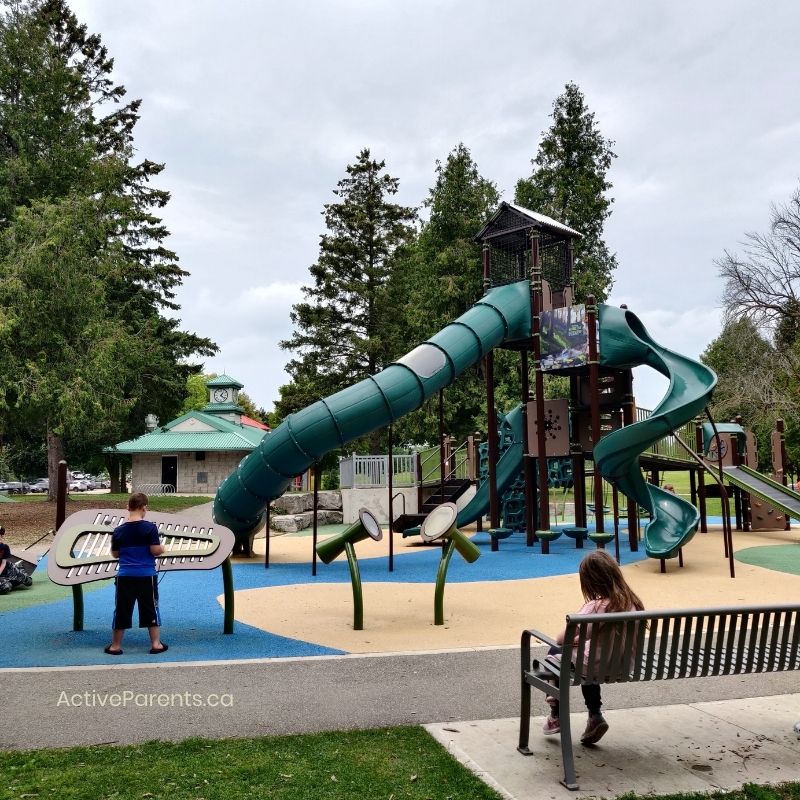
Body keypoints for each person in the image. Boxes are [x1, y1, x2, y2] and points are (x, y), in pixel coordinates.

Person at [541, 550, 645, 744]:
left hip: (594, 666)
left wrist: (575, 639)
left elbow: (561, 638)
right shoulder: (634, 604)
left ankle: (556, 713)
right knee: (587, 657)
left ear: (590, 582)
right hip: (624, 666)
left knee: (556, 652)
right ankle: (594, 715)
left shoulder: (595, 607)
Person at [105, 493, 167, 655]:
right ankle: (155, 644)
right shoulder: (150, 528)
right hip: (146, 575)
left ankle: (116, 646)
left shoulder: (118, 531)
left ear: (128, 508)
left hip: (125, 576)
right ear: (144, 508)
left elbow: (115, 554)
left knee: (122, 609)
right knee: (151, 608)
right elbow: (155, 550)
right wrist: (163, 548)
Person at [0, 525, 33, 594]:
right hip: (2, 577)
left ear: (1, 536)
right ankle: (11, 582)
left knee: (28, 582)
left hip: (9, 569)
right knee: (5, 588)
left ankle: (19, 568)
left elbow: (3, 563)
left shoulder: (4, 547)